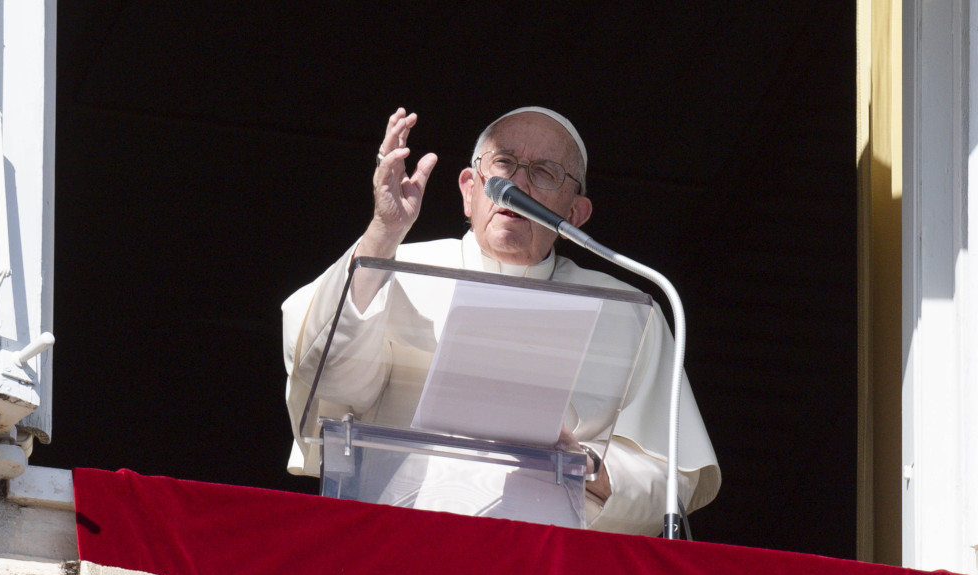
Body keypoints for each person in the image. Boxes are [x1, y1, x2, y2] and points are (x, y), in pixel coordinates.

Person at [282, 107, 720, 535]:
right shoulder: (391, 267)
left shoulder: (628, 311)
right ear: (470, 190)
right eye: (504, 163)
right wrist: (382, 232)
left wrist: (588, 468)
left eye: (545, 172)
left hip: (550, 571)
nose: (519, 182)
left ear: (574, 214)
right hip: (398, 538)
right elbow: (330, 384)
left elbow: (671, 487)